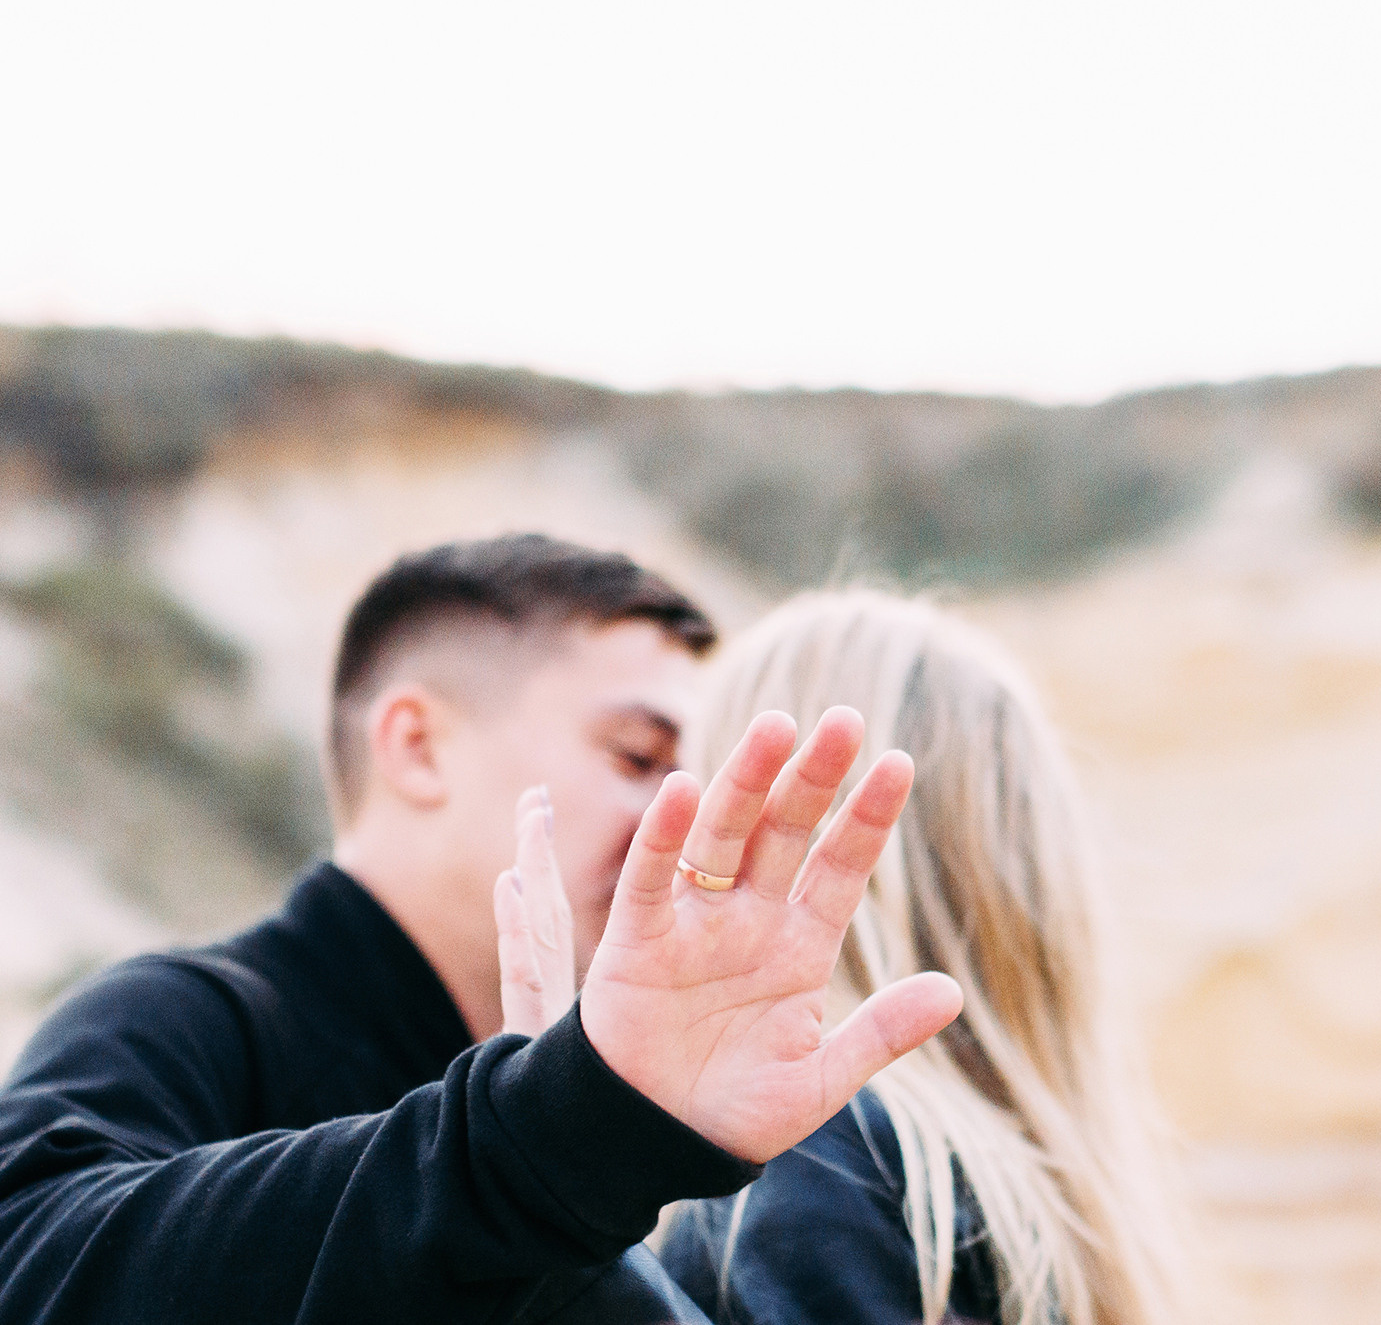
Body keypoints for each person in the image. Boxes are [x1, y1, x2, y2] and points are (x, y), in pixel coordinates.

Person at [0, 536, 962, 1323]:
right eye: (639, 757)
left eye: (696, 775)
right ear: (418, 747)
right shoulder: (182, 1018)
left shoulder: (640, 1117)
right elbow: (29, 1265)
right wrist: (537, 1145)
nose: (681, 816)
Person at [503, 590, 1190, 1325]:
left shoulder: (808, 1158)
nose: (653, 822)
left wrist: (556, 1209)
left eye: (688, 773)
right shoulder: (1025, 1182)